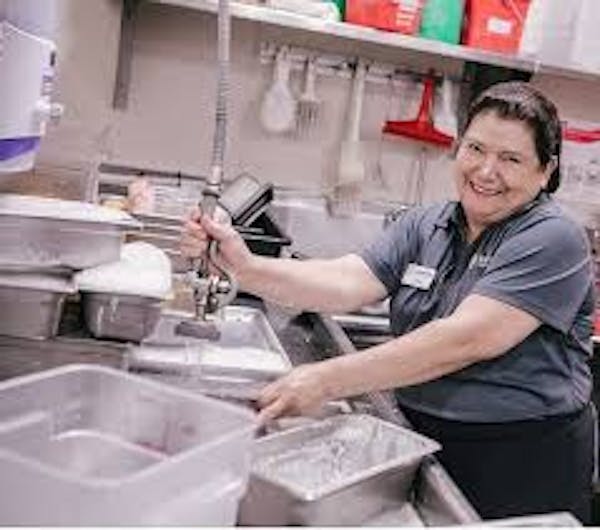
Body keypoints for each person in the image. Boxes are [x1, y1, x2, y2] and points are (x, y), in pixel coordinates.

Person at [180, 81, 596, 523]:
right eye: (476, 148)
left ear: (546, 170)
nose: (486, 171)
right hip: (427, 440)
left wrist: (325, 380)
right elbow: (347, 280)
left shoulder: (553, 238)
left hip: (520, 460)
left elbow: (465, 340)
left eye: (511, 159)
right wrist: (243, 266)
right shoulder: (428, 223)